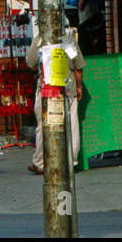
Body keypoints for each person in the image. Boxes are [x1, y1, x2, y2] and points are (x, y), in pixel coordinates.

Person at [25, 30, 85, 175]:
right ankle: (72, 161)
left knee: (44, 124)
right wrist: (79, 86)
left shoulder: (40, 38)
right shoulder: (68, 38)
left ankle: (40, 162)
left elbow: (30, 62)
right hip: (67, 86)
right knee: (72, 125)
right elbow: (78, 67)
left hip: (46, 87)